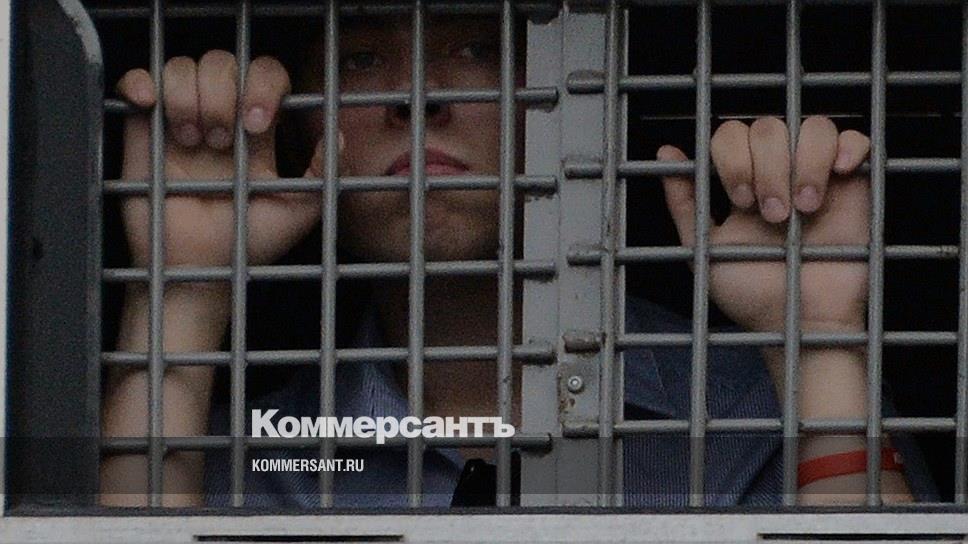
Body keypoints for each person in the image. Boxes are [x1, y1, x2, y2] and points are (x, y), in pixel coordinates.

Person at [99, 13, 940, 508]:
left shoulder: (755, 413)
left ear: (574, 90)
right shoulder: (263, 456)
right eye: (360, 57)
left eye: (476, 47)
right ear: (299, 127)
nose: (419, 95)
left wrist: (818, 334)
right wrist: (183, 294)